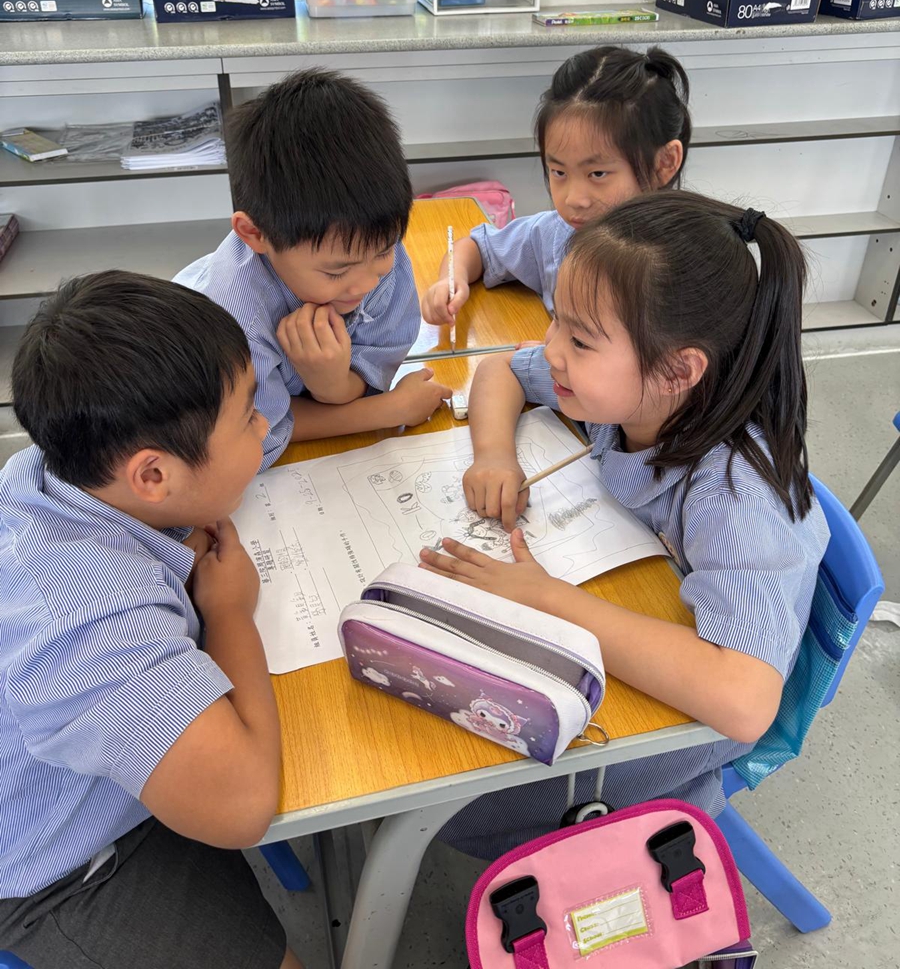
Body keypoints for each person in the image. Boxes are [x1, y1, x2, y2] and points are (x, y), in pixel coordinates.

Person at [419, 191, 830, 860]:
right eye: (557, 320)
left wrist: (549, 599)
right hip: (647, 607)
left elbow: (744, 700)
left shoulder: (736, 498)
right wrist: (494, 454)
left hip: (690, 718)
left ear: (678, 369)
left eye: (579, 340)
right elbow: (501, 369)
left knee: (451, 791)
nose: (552, 351)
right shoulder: (629, 393)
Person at [0, 271, 303, 969]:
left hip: (97, 770)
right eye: (248, 416)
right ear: (154, 476)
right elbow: (242, 806)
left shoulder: (48, 470)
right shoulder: (88, 622)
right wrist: (228, 612)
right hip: (58, 867)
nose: (264, 425)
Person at [177, 68, 450, 471]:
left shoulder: (369, 248)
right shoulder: (231, 319)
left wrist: (332, 383)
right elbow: (254, 433)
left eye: (383, 252)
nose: (367, 282)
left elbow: (372, 368)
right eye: (336, 272)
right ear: (255, 234)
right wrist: (390, 410)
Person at [421, 45, 691, 325]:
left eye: (597, 174)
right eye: (559, 172)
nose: (574, 199)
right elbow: (478, 248)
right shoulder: (556, 234)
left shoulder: (682, 271)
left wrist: (548, 349)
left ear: (665, 163)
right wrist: (451, 280)